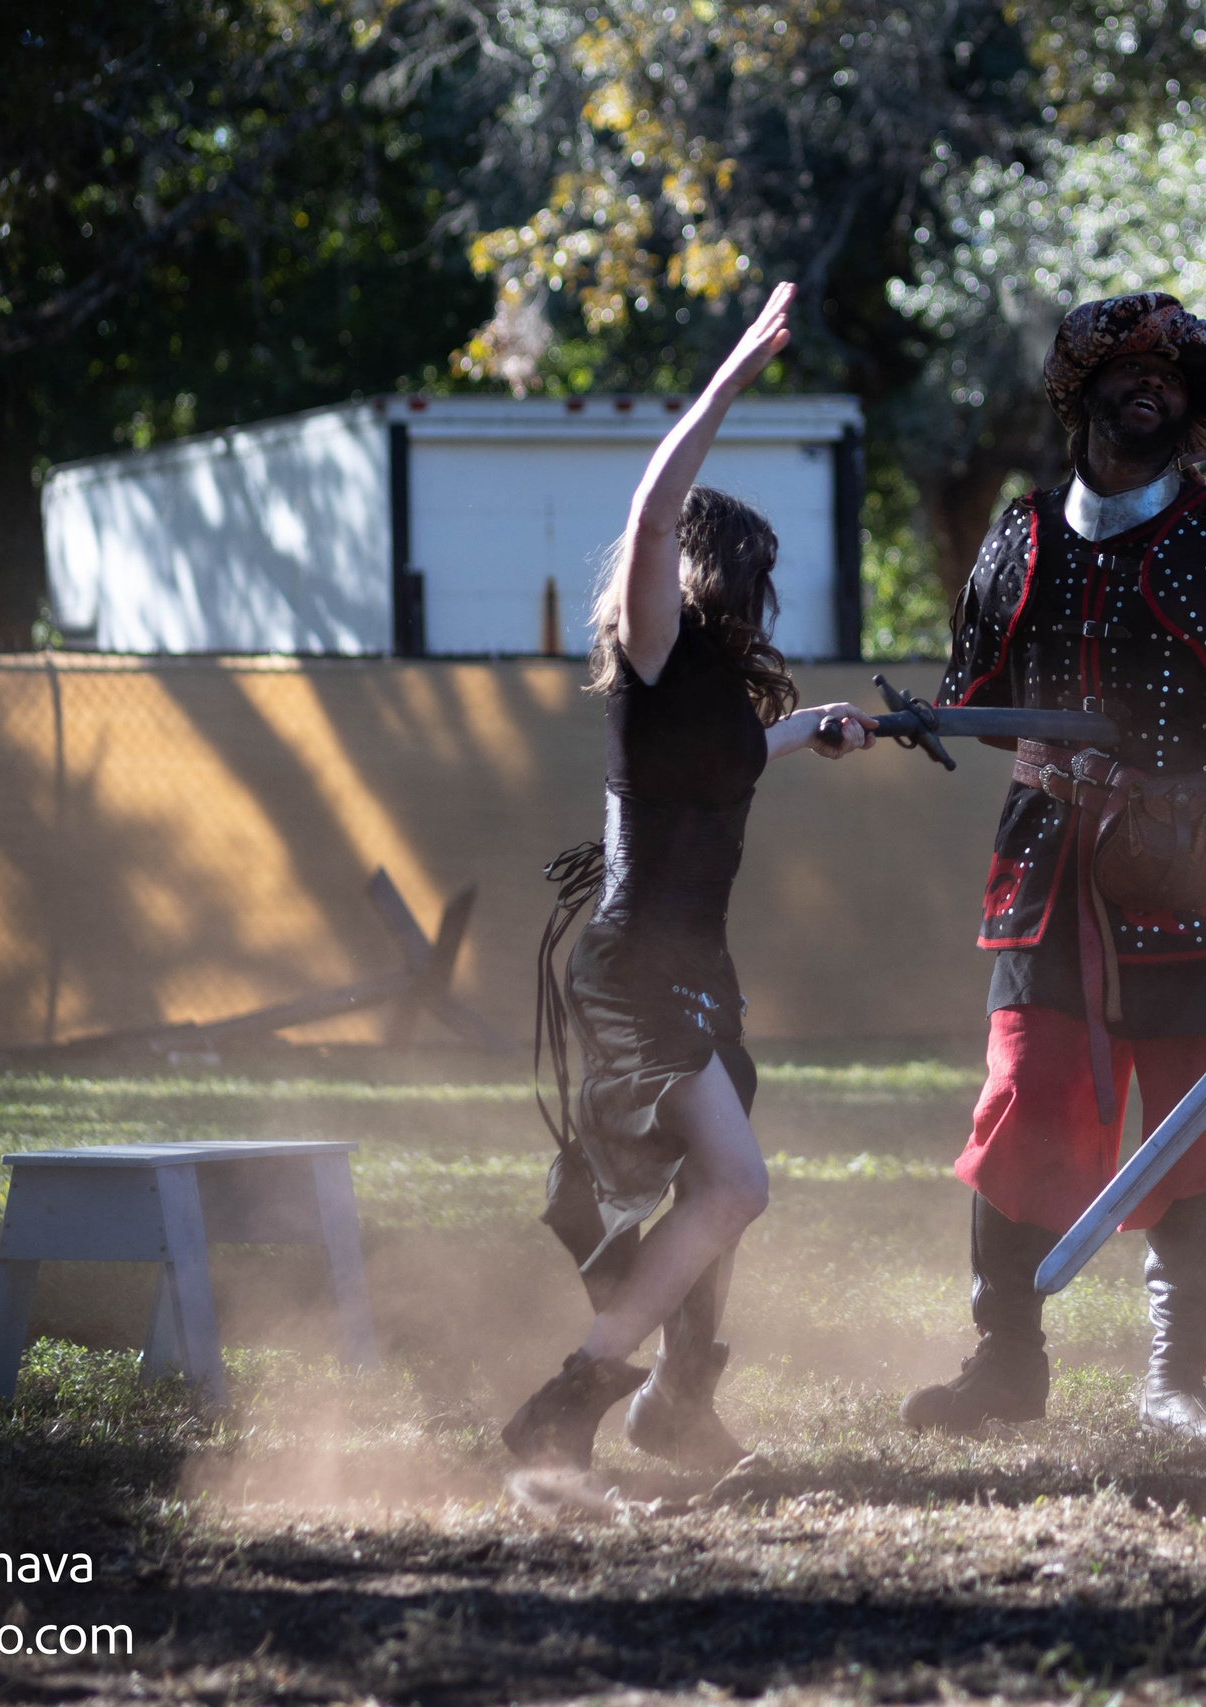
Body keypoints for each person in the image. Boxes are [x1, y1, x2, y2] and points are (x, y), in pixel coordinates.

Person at [902, 291, 1206, 1441]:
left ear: (1193, 412)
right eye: (1130, 369)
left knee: (1190, 1122)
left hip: (1200, 871)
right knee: (1021, 1102)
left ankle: (1177, 1380)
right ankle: (1004, 1366)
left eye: (1173, 379)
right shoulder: (1020, 535)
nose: (1151, 388)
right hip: (1048, 868)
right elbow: (980, 709)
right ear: (1084, 391)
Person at [508, 282, 880, 1471]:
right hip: (632, 970)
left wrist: (814, 729)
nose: (763, 591)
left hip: (696, 969)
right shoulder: (653, 650)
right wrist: (728, 378)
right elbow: (651, 509)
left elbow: (728, 765)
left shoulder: (711, 697)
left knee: (718, 1196)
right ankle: (564, 1410)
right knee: (736, 1190)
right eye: (753, 569)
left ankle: (676, 1404)